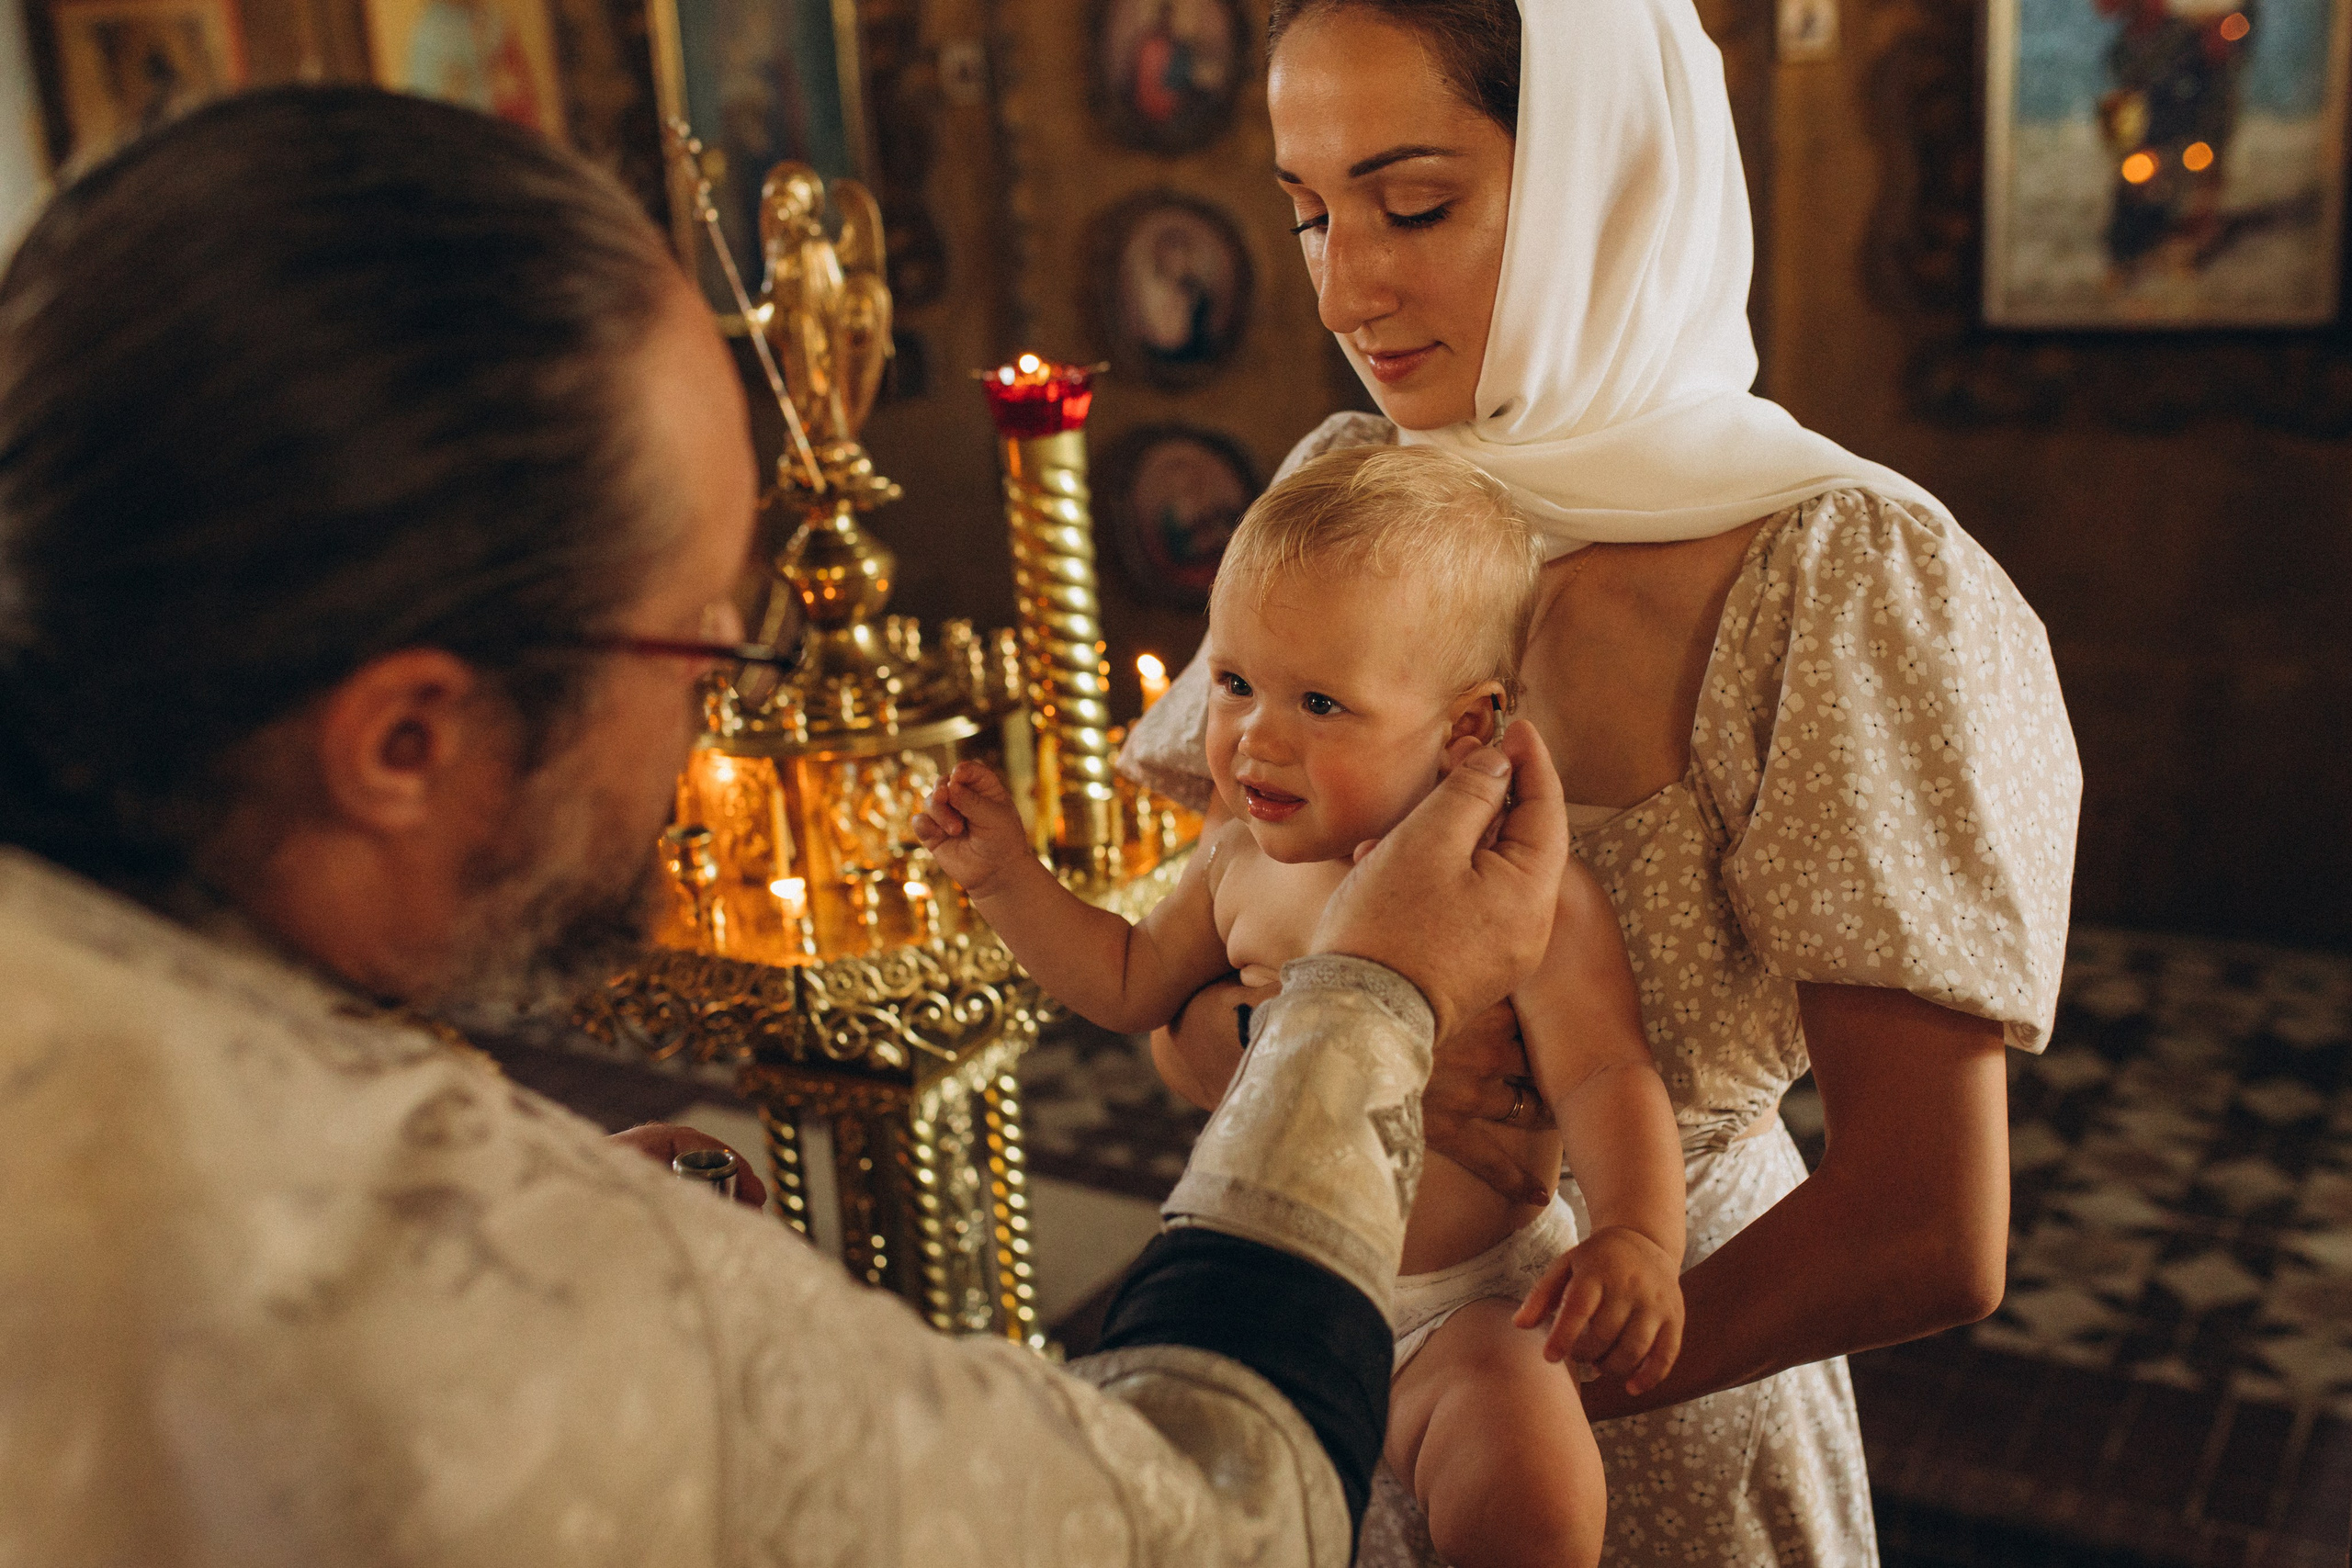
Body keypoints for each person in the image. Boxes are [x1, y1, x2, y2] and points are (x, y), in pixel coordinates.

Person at [0, 86, 1581, 1564]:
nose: (717, 713)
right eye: (701, 641)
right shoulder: (421, 1277)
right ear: (407, 738)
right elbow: (1204, 1518)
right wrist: (1368, 999)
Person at [1123, 1, 2085, 1563]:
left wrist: (1504, 1397)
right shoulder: (1353, 498)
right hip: (1325, 1384)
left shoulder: (1838, 575)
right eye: (1307, 211)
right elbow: (1180, 1006)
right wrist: (1323, 1043)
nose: (1348, 281)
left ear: (1604, 172)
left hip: (1658, 1415)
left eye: (1414, 203)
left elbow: (1929, 1224)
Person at [916, 443, 1688, 1568]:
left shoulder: (1517, 890)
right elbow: (1127, 982)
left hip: (1464, 1312)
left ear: (1467, 730)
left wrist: (1638, 1237)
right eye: (1235, 683)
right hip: (1270, 1279)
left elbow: (1607, 1075)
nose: (1256, 739)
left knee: (1533, 1489)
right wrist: (1006, 884)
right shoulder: (1236, 860)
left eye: (1320, 702)